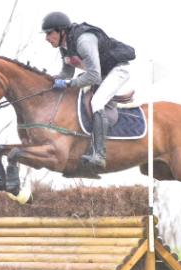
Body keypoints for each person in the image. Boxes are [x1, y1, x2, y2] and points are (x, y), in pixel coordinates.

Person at [42, 12, 136, 169]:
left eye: (49, 33)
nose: (46, 38)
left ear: (61, 31)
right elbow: (67, 74)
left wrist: (67, 84)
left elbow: (93, 75)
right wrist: (48, 80)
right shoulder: (65, 48)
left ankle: (99, 154)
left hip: (118, 70)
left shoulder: (83, 41)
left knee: (97, 102)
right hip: (102, 73)